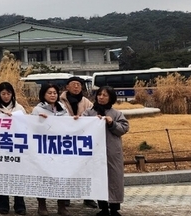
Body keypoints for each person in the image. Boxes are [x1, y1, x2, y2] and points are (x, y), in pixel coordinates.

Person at [82, 86, 129, 216]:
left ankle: (114, 208)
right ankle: (102, 207)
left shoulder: (116, 113)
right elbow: (81, 126)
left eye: (105, 95)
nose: (101, 97)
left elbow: (124, 128)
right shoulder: (89, 112)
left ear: (111, 98)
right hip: (94, 152)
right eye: (99, 95)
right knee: (98, 178)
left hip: (112, 152)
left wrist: (112, 123)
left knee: (113, 178)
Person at [0, 82, 27, 215]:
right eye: (3, 94)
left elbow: (25, 124)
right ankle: (3, 204)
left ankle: (19, 204)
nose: (6, 96)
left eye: (9, 94)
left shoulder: (19, 108)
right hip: (0, 145)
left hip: (15, 145)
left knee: (17, 176)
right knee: (2, 175)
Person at [31, 83, 72, 216]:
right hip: (44, 148)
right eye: (49, 93)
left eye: (55, 93)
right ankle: (42, 204)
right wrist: (39, 121)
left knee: (61, 176)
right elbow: (31, 128)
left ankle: (61, 205)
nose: (53, 95)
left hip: (60, 148)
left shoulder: (63, 108)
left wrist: (77, 121)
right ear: (43, 94)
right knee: (43, 176)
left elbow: (69, 125)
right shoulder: (38, 110)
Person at [59, 77, 97, 209]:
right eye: (74, 85)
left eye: (79, 85)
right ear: (67, 87)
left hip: (82, 139)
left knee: (85, 168)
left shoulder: (86, 102)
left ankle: (88, 196)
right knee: (65, 168)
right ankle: (66, 197)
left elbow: (94, 115)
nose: (76, 87)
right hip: (65, 140)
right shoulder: (60, 101)